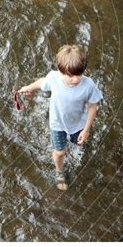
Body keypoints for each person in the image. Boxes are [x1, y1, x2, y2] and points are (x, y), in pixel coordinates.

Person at [18, 45, 103, 191]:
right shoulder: (54, 77)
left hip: (77, 124)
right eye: (71, 76)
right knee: (60, 152)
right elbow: (41, 81)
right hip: (57, 123)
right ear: (60, 71)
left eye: (79, 74)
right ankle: (59, 172)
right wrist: (28, 87)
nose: (76, 79)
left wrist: (87, 130)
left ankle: (48, 94)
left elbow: (93, 106)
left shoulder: (88, 85)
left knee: (80, 144)